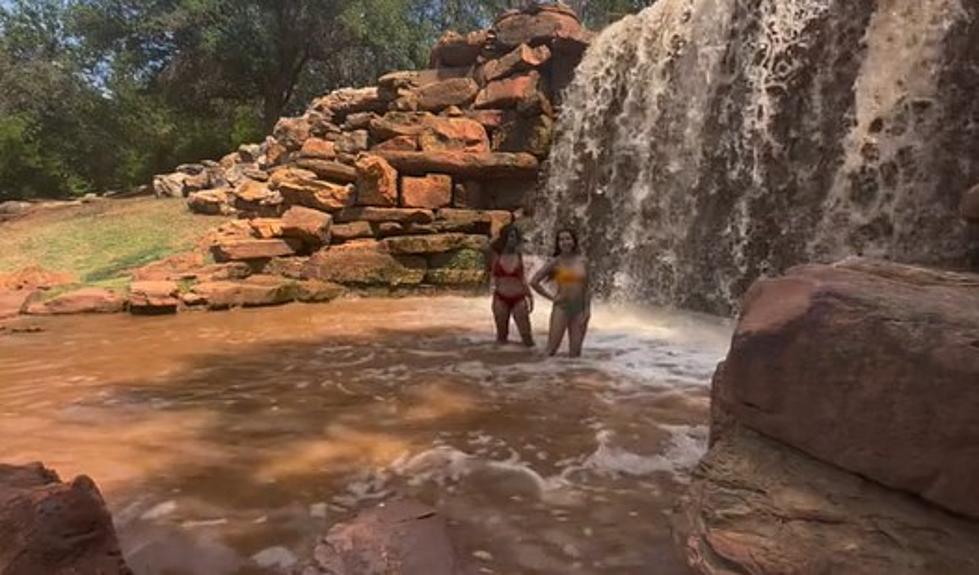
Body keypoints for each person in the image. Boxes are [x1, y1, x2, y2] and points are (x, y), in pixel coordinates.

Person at [531, 228, 590, 358]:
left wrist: (587, 311)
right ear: (558, 243)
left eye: (568, 238)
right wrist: (552, 298)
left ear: (574, 241)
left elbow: (587, 287)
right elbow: (534, 282)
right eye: (561, 239)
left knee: (575, 354)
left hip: (579, 309)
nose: (565, 242)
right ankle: (540, 375)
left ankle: (568, 377)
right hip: (561, 308)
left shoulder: (583, 261)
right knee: (551, 350)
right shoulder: (555, 262)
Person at [490, 224, 535, 346]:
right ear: (504, 238)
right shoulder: (496, 255)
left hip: (519, 298)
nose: (512, 240)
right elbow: (492, 276)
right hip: (500, 298)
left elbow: (523, 279)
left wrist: (530, 296)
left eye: (514, 237)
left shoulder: (520, 255)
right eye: (510, 236)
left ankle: (534, 363)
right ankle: (503, 362)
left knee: (527, 337)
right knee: (501, 336)